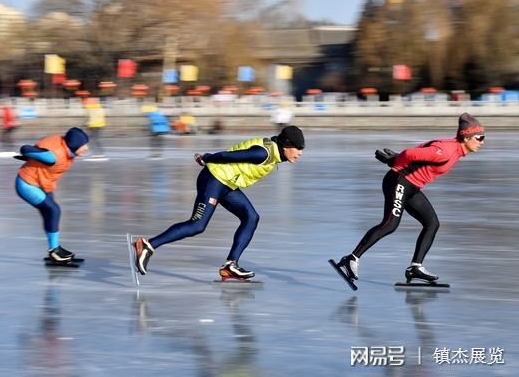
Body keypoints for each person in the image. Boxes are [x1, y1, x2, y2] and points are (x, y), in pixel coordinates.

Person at [132, 125, 305, 280]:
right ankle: (147, 245)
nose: (300, 152)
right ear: (286, 145)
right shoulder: (263, 153)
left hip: (227, 184)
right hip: (213, 180)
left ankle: (230, 265)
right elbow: (228, 156)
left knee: (251, 217)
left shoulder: (273, 153)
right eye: (298, 148)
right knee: (197, 225)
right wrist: (208, 157)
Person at [333, 113, 485, 286]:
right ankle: (351, 259)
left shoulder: (454, 150)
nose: (482, 142)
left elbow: (421, 152)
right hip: (399, 181)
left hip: (411, 187)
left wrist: (397, 159)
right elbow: (411, 153)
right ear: (466, 137)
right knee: (390, 224)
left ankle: (415, 267)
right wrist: (396, 160)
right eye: (479, 137)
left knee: (432, 223)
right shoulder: (446, 151)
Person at [14, 127, 89, 263]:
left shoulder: (67, 150)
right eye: (83, 145)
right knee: (54, 210)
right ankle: (54, 251)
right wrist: (30, 154)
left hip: (43, 183)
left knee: (49, 213)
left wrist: (34, 156)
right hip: (27, 184)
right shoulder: (54, 156)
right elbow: (25, 148)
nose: (86, 148)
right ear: (75, 144)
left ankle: (54, 250)